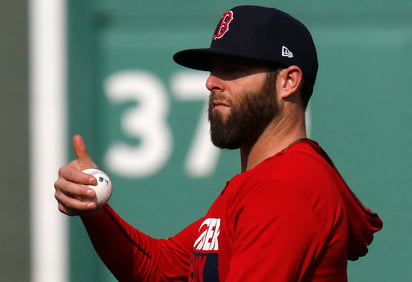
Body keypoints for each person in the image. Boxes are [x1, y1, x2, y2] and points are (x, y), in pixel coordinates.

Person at [54, 5, 383, 281]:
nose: (211, 82)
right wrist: (91, 207)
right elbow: (157, 268)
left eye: (234, 69)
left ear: (288, 81)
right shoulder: (258, 184)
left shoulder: (285, 186)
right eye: (213, 70)